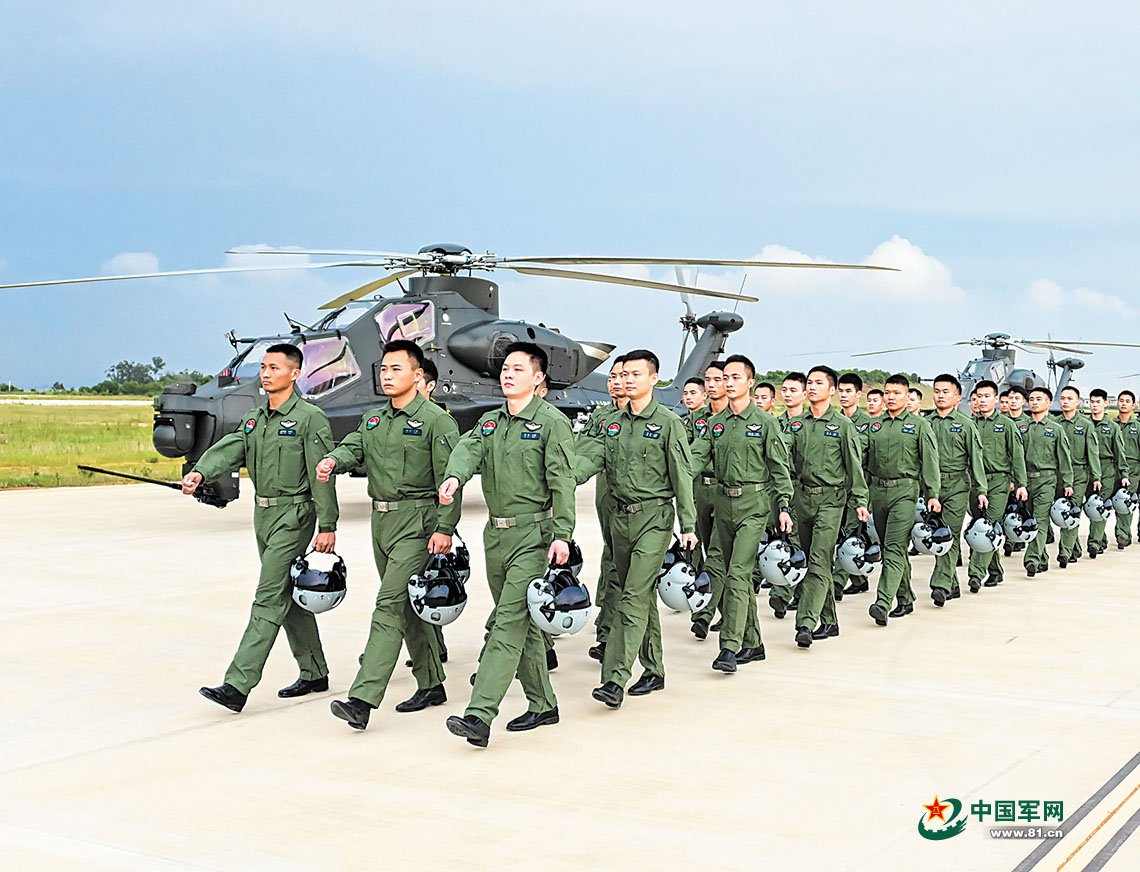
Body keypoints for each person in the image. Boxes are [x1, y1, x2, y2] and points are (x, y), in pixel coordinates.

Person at [184, 343, 338, 713]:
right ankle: (314, 672)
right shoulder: (255, 419)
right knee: (288, 595)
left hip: (294, 516)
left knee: (268, 597)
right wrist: (200, 472)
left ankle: (237, 685)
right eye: (264, 367)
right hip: (263, 514)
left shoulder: (310, 418)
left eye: (274, 368)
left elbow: (322, 474)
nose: (265, 374)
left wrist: (328, 524)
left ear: (295, 374)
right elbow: (232, 447)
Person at [439, 342, 576, 747]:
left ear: (538, 378)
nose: (508, 374)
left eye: (518, 369)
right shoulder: (490, 422)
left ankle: (479, 715)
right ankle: (543, 704)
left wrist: (563, 534)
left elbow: (562, 482)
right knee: (522, 625)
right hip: (495, 536)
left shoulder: (551, 423)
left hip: (534, 536)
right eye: (505, 369)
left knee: (507, 624)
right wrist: (454, 477)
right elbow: (467, 450)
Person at [319, 340, 458, 730]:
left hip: (418, 523)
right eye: (383, 369)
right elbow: (354, 447)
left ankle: (362, 699)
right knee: (407, 606)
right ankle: (431, 684)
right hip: (380, 521)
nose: (387, 375)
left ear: (418, 375)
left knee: (388, 605)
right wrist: (333, 460)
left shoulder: (436, 421)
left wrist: (445, 527)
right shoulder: (374, 419)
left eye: (396, 369)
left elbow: (451, 479)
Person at [575, 349, 697, 707]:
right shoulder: (611, 422)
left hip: (653, 520)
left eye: (635, 374)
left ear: (654, 379)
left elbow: (682, 476)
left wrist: (688, 524)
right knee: (639, 597)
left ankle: (614, 679)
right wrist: (561, 478)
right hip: (619, 519)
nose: (627, 380)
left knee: (630, 597)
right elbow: (588, 458)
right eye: (623, 374)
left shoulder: (668, 423)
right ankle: (654, 669)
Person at [691, 354, 794, 671]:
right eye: (725, 377)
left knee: (738, 573)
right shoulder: (715, 425)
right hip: (723, 504)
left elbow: (779, 468)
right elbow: (695, 458)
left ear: (750, 382)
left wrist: (784, 506)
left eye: (736, 377)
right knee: (729, 572)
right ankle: (754, 643)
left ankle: (729, 647)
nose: (729, 382)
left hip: (753, 505)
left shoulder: (765, 423)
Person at [789, 366, 869, 645]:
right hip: (802, 499)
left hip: (831, 501)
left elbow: (854, 466)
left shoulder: (843, 426)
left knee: (819, 560)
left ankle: (805, 622)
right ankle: (830, 620)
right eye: (809, 383)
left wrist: (860, 500)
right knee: (809, 559)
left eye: (818, 383)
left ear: (832, 390)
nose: (811, 387)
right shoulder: (797, 424)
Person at [863, 374, 940, 626]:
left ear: (907, 397)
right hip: (878, 492)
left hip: (905, 492)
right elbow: (863, 461)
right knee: (889, 548)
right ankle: (906, 597)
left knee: (895, 546)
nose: (891, 397)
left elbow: (930, 462)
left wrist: (932, 495)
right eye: (887, 393)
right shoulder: (875, 425)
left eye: (897, 393)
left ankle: (882, 603)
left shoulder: (919, 425)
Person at [579, 356, 626, 662]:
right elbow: (581, 448)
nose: (615, 383)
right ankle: (607, 622)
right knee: (609, 558)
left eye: (621, 376)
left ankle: (612, 630)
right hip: (605, 495)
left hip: (634, 502)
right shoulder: (601, 417)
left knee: (619, 564)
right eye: (611, 377)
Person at [926, 374, 988, 606]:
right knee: (934, 534)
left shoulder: (966, 425)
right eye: (937, 391)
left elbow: (976, 460)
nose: (940, 396)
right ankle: (952, 584)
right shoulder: (925, 423)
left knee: (948, 534)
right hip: (931, 487)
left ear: (957, 397)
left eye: (946, 392)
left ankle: (940, 585)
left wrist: (981, 489)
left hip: (957, 487)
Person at [968, 380, 1027, 591]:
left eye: (987, 396)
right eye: (979, 397)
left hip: (998, 482)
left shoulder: (1007, 424)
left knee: (988, 525)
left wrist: (1021, 484)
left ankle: (976, 573)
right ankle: (995, 570)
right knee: (979, 524)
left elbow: (1017, 456)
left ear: (995, 399)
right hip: (975, 482)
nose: (982, 400)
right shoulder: (969, 424)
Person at [690, 361, 730, 639]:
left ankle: (704, 614)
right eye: (709, 380)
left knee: (716, 556)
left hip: (725, 491)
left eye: (718, 379)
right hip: (699, 490)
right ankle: (728, 614)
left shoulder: (736, 418)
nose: (712, 384)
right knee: (704, 552)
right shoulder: (697, 420)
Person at [1022, 387, 1074, 577]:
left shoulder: (1056, 429)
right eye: (1032, 399)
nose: (1034, 402)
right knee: (1029, 518)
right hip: (1025, 480)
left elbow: (1064, 458)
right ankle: (1042, 558)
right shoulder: (1021, 427)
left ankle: (1032, 559)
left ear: (1049, 403)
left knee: (1040, 519)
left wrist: (1068, 483)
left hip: (1046, 480)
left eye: (1039, 399)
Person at [770, 371, 807, 617]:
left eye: (793, 390)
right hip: (779, 488)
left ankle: (785, 593)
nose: (788, 394)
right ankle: (788, 592)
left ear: (804, 394)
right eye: (784, 390)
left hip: (803, 489)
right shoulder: (775, 423)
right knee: (784, 539)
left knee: (797, 541)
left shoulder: (810, 423)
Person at [836, 372, 874, 597]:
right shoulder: (834, 422)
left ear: (858, 394)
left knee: (850, 534)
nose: (844, 395)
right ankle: (859, 579)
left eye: (848, 391)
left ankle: (837, 582)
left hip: (857, 489)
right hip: (835, 489)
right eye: (840, 391)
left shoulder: (869, 425)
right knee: (838, 534)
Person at [1055, 386, 1100, 566]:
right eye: (1063, 398)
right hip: (1058, 474)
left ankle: (1065, 552)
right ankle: (1074, 548)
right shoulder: (1054, 424)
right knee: (1060, 511)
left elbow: (1093, 453)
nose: (1065, 402)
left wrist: (1096, 477)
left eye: (1070, 398)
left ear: (1078, 402)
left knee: (1071, 511)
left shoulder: (1086, 425)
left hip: (1079, 474)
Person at [1088, 388, 1130, 554]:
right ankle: (1101, 539)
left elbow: (1120, 452)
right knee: (1088, 506)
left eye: (1098, 402)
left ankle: (1094, 543)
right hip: (1086, 470)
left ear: (1105, 403)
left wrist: (1124, 474)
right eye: (1092, 402)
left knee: (1098, 506)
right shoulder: (1084, 424)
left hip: (1106, 470)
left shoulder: (1113, 427)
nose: (1095, 405)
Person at [1115, 390, 1140, 547]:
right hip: (1113, 469)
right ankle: (1122, 534)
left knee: (1126, 501)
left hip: (1133, 470)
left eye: (1127, 401)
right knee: (1119, 502)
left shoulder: (1137, 427)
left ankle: (1124, 534)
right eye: (1121, 400)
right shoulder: (1112, 426)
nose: (1124, 404)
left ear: (1133, 405)